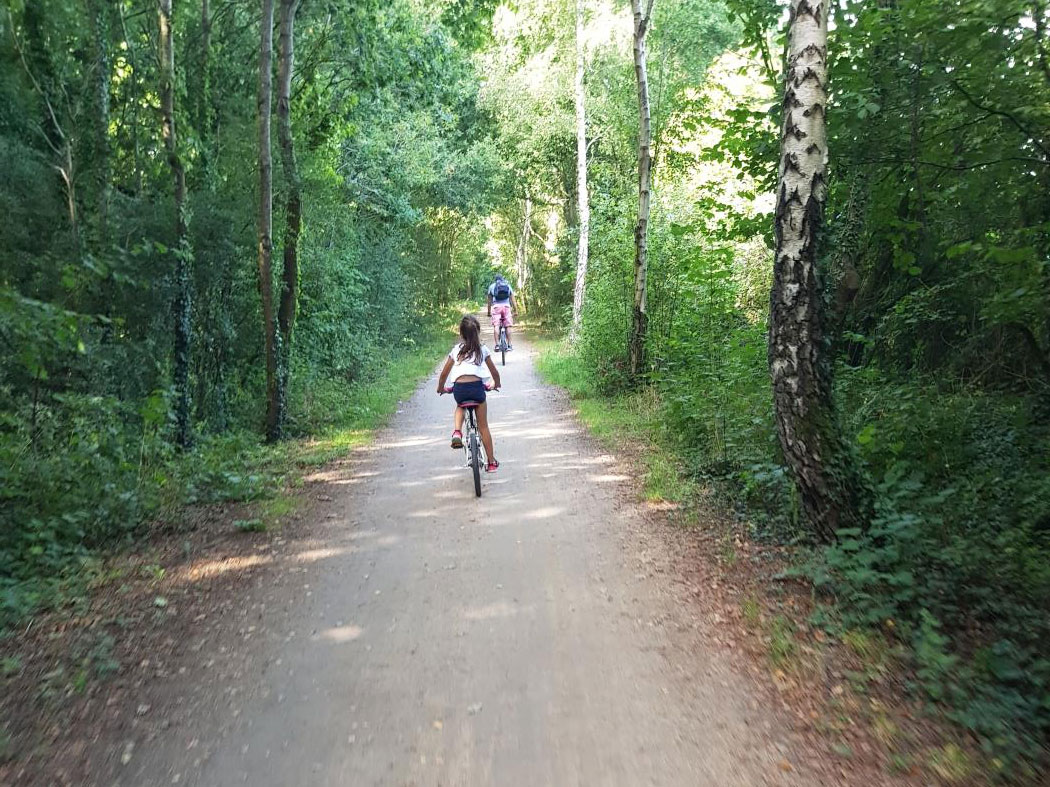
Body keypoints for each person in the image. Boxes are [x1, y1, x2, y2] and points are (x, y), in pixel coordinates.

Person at [436, 315, 502, 472]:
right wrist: (495, 384)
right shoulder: (483, 349)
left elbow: (444, 373)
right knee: (483, 426)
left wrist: (441, 388)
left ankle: (457, 431)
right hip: (477, 389)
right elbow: (495, 372)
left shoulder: (456, 350)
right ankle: (491, 462)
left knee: (460, 405)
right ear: (477, 333)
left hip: (460, 389)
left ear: (461, 334)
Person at [486, 274, 516, 350]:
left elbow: (489, 301)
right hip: (506, 307)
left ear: (495, 280)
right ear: (502, 279)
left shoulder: (492, 286)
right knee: (508, 326)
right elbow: (513, 299)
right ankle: (509, 345)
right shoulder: (508, 285)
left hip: (496, 308)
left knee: (496, 326)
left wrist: (489, 312)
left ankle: (497, 345)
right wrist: (516, 310)